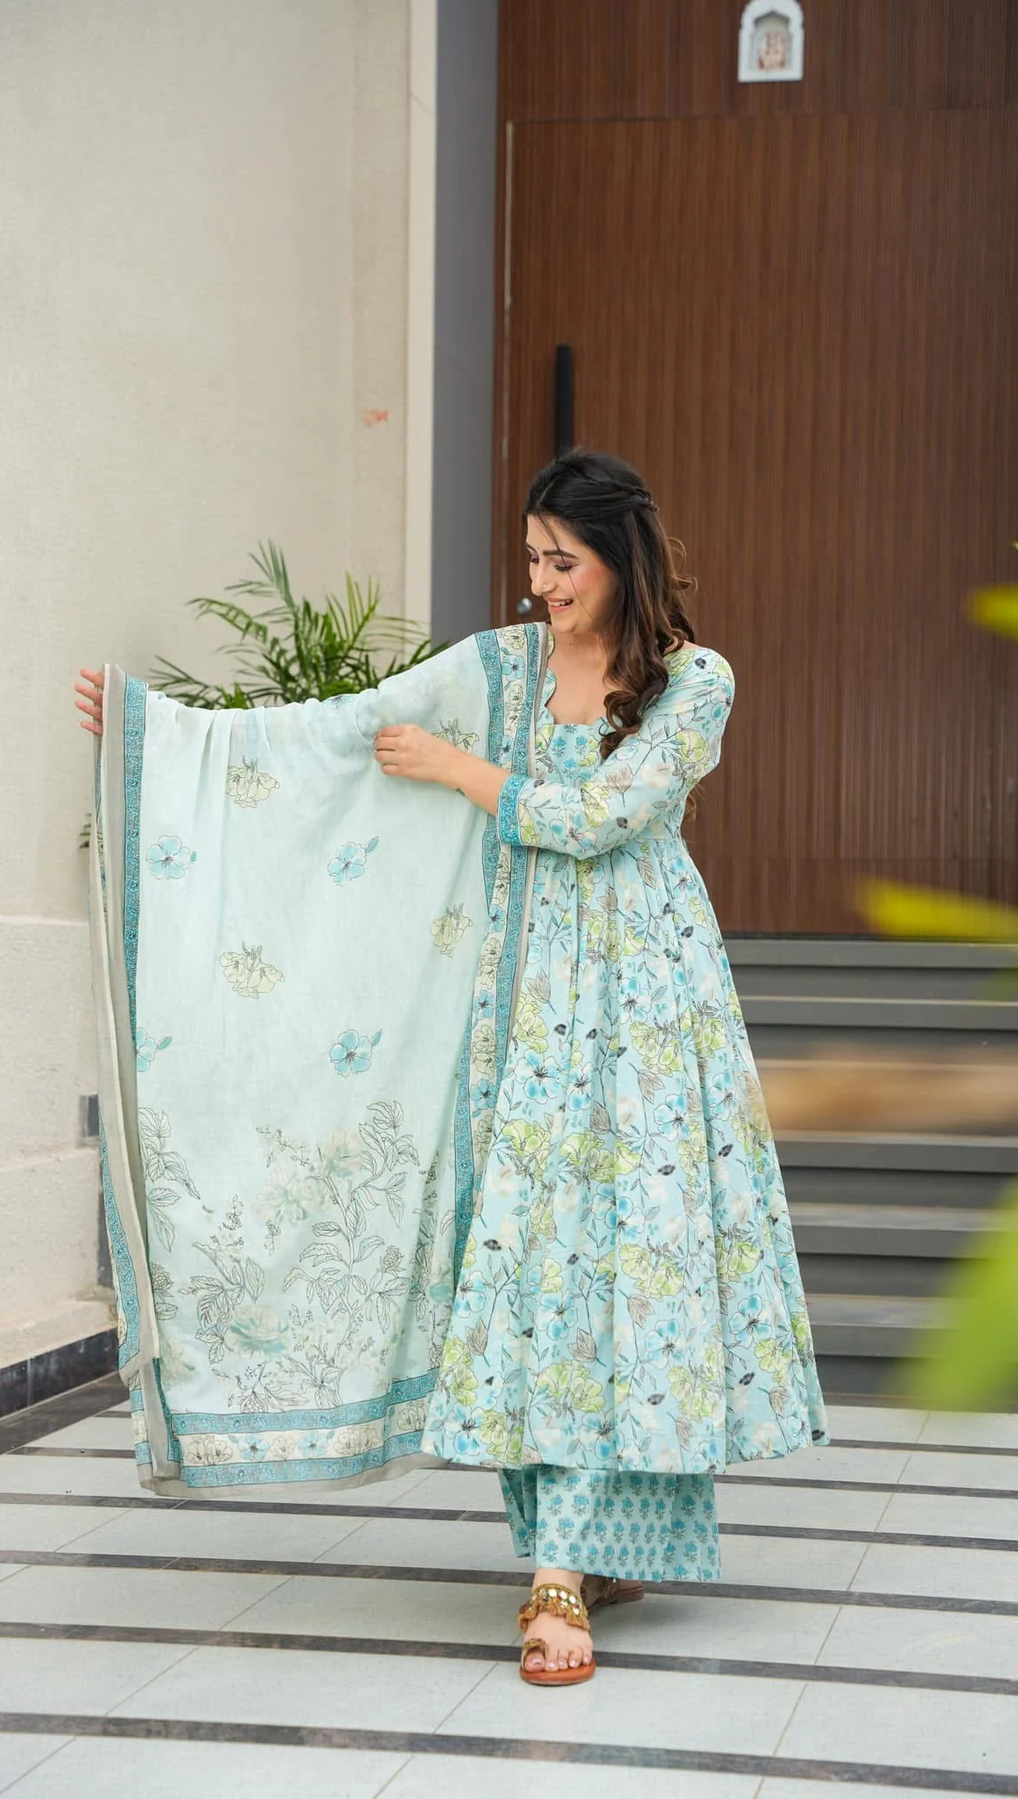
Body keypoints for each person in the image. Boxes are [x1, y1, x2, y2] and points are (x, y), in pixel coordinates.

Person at [76, 448, 826, 1689]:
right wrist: (168, 736)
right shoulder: (504, 666)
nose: (543, 585)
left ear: (620, 556)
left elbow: (604, 817)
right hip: (521, 1001)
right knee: (535, 1255)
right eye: (533, 559)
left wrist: (462, 771)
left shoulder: (697, 681)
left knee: (630, 1257)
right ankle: (562, 1552)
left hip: (647, 1007)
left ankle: (582, 1557)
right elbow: (348, 727)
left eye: (563, 561)